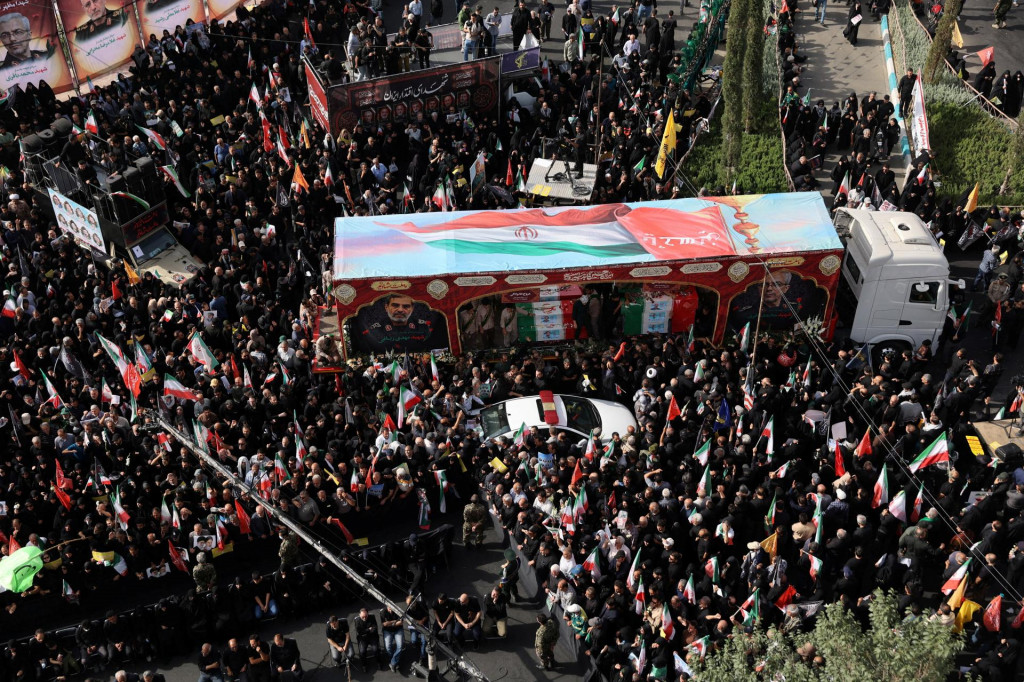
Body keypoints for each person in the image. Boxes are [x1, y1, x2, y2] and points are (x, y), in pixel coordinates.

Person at [354, 608, 380, 673]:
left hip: (372, 637)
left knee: (376, 649)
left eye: (366, 616)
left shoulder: (372, 617)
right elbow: (359, 632)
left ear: (367, 614)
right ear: (359, 615)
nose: (364, 618)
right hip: (363, 639)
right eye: (363, 617)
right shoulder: (357, 620)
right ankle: (364, 665)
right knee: (362, 651)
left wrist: (365, 631)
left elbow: (375, 628)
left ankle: (379, 662)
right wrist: (369, 629)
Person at [379, 605, 404, 672]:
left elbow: (401, 622)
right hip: (388, 631)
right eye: (389, 608)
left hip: (398, 630)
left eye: (392, 608)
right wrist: (395, 621)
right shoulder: (383, 612)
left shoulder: (398, 610)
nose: (391, 610)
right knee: (387, 647)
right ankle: (394, 660)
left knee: (400, 646)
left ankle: (393, 662)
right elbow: (384, 624)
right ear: (387, 607)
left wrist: (389, 623)